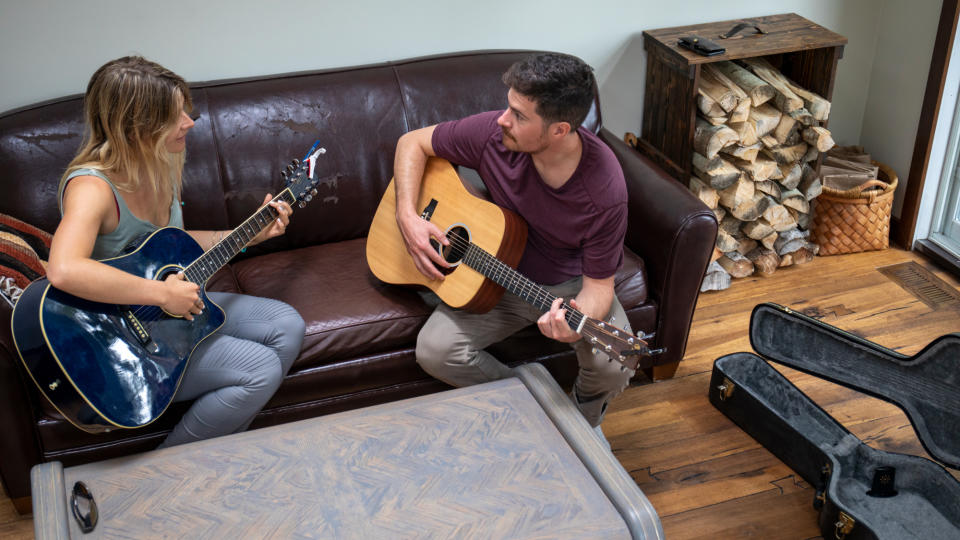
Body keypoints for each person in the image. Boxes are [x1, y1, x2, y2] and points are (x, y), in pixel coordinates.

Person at [46, 56, 305, 447]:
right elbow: (64, 269)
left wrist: (247, 234)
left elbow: (172, 247)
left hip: (169, 315)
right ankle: (170, 470)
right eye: (176, 115)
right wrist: (162, 294)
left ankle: (221, 443)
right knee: (259, 368)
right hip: (122, 338)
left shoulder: (160, 162)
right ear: (137, 125)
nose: (190, 121)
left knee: (287, 325)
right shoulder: (92, 188)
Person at [393, 53, 632, 430]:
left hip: (563, 289)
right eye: (509, 106)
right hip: (491, 278)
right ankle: (536, 413)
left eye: (520, 116)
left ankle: (582, 424)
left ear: (559, 130)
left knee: (613, 364)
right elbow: (412, 143)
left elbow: (599, 289)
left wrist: (573, 324)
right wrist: (407, 216)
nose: (503, 119)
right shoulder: (494, 135)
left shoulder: (604, 191)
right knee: (435, 351)